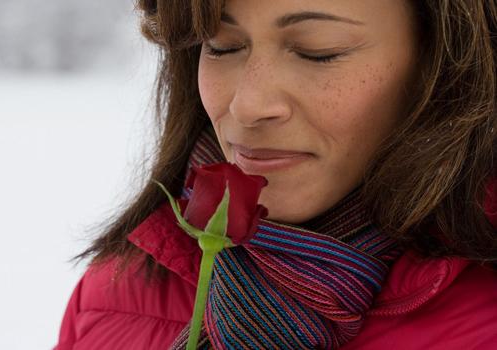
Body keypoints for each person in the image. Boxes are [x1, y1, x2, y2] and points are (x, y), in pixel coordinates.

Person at [54, 0, 497, 349]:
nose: (247, 105)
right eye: (222, 46)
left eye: (318, 52)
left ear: (441, 64)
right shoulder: (115, 288)